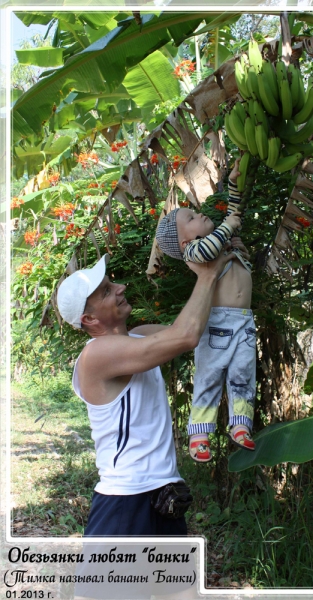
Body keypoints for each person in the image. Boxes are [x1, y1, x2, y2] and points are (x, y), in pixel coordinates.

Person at [56, 247, 233, 536]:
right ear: (89, 319)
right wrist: (207, 273)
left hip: (164, 493)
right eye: (105, 291)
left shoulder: (141, 336)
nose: (120, 288)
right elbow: (185, 336)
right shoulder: (96, 356)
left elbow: (194, 328)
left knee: (170, 583)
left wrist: (222, 260)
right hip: (125, 501)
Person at [156, 159, 256, 463]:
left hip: (244, 322)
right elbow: (214, 243)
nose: (199, 213)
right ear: (185, 239)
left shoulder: (221, 242)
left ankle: (241, 425)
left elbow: (233, 214)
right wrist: (228, 228)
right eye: (191, 217)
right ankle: (199, 433)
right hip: (218, 324)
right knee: (210, 376)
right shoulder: (194, 252)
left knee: (243, 374)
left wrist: (235, 184)